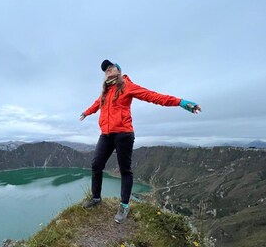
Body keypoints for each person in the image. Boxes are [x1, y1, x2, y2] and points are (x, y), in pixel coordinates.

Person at [80, 59, 201, 224]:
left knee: (125, 170)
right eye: (105, 69)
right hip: (106, 134)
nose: (108, 70)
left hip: (123, 134)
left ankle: (123, 206)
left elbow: (153, 96)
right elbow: (96, 105)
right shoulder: (105, 92)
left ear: (119, 70)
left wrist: (180, 102)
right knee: (96, 164)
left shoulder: (127, 86)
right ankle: (96, 198)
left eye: (111, 67)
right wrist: (86, 113)